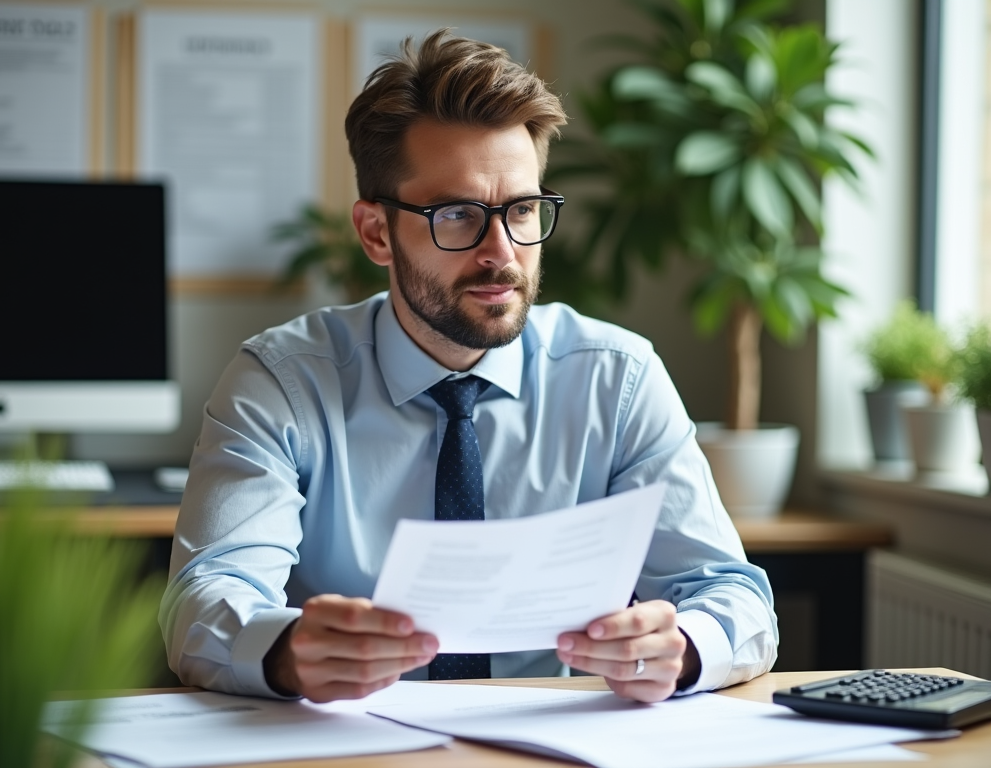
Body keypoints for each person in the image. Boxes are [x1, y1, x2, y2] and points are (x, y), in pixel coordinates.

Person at [160, 30, 777, 706]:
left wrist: (682, 648)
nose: (501, 252)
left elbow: (733, 595)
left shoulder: (616, 380)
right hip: (351, 744)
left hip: (549, 744)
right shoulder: (281, 382)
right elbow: (206, 596)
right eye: (457, 215)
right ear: (375, 233)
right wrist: (283, 652)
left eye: (521, 210)